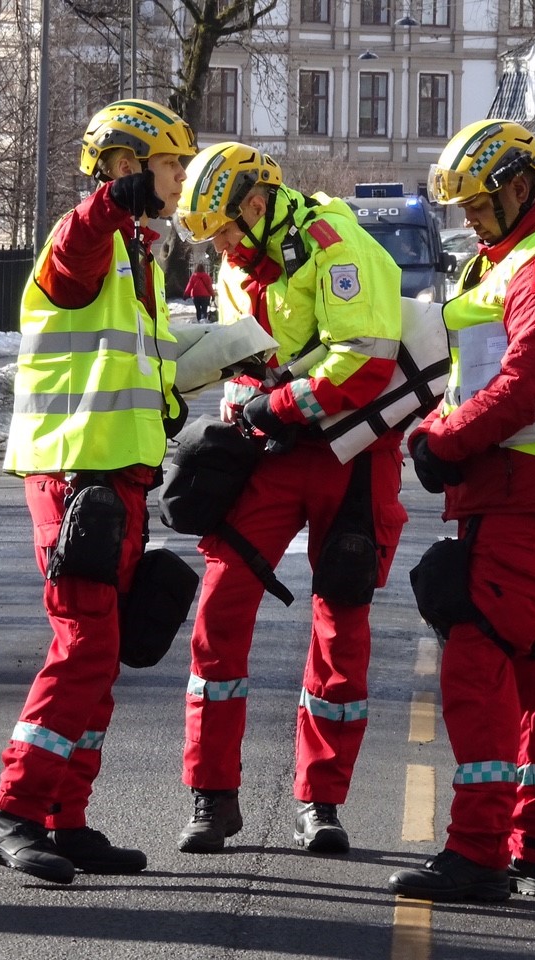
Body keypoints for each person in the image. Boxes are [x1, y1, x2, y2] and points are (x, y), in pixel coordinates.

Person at [385, 119, 535, 902]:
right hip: (529, 490)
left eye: (479, 205)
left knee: (475, 658)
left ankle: (478, 850)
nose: (470, 220)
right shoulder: (514, 260)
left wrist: (444, 440)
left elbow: (530, 382)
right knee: (534, 666)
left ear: (522, 187)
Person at [0, 99, 196, 885]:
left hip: (118, 477)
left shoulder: (140, 253)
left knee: (102, 654)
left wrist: (169, 395)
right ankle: (14, 814)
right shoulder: (92, 236)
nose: (180, 177)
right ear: (129, 167)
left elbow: (120, 362)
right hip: (75, 478)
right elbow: (73, 251)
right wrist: (110, 202)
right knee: (84, 646)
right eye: (169, 164)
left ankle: (66, 818)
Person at [172, 141, 408, 856]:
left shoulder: (336, 247)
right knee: (220, 604)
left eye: (221, 229)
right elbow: (244, 353)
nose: (217, 246)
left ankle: (321, 801)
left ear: (255, 203)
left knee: (341, 624)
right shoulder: (236, 262)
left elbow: (365, 360)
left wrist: (278, 405)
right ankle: (212, 795)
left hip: (348, 455)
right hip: (270, 454)